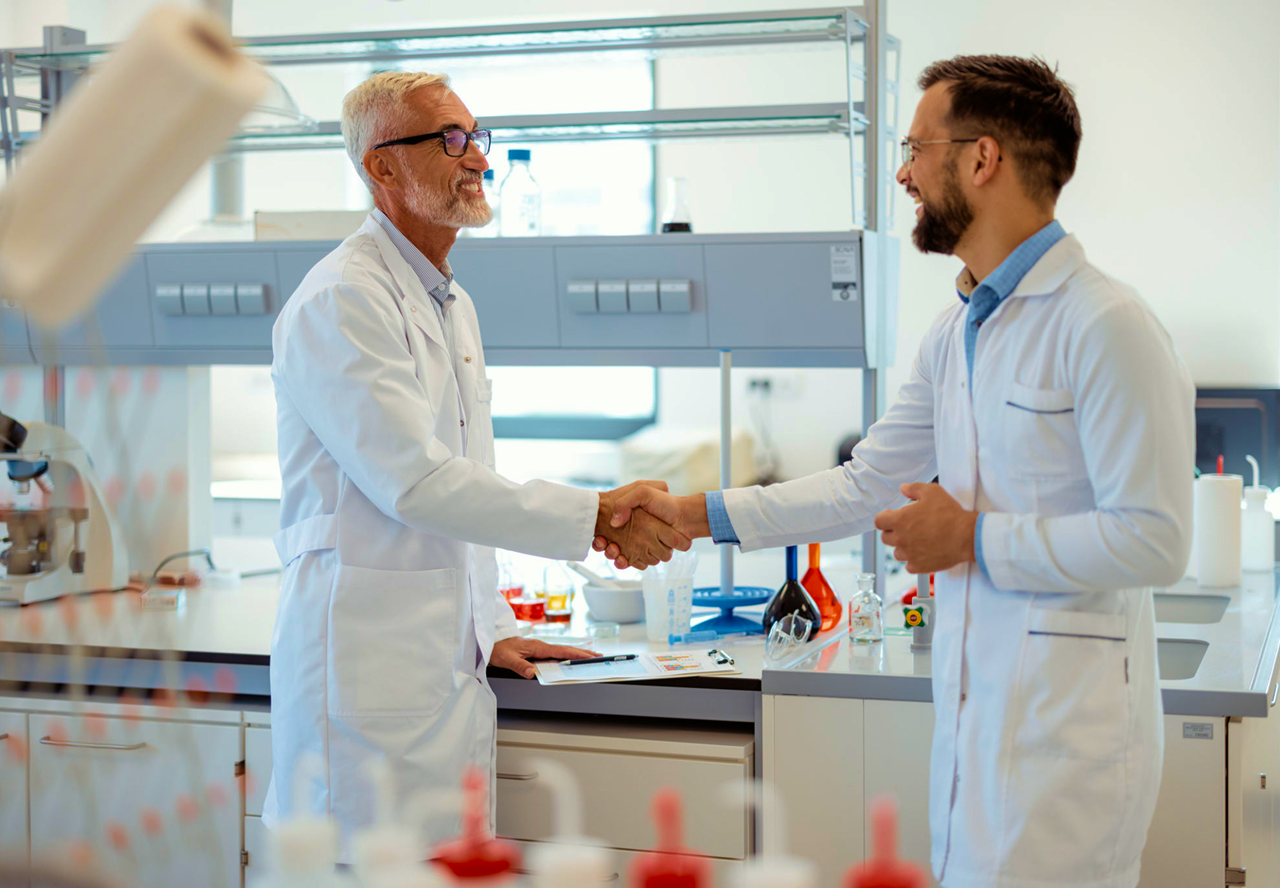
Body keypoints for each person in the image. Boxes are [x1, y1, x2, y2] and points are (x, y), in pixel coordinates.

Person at [598, 55, 1193, 888]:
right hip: (973, 742)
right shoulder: (956, 335)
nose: (905, 174)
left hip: (1071, 756)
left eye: (916, 149)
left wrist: (973, 539)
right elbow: (861, 484)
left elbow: (1156, 540)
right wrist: (686, 511)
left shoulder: (1106, 325)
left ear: (982, 159)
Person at [265, 71, 688, 857]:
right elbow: (416, 483)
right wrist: (593, 514)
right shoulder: (342, 301)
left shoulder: (449, 301)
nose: (478, 160)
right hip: (363, 694)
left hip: (435, 680)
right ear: (381, 168)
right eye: (449, 140)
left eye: (476, 137)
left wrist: (487, 626)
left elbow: (461, 476)